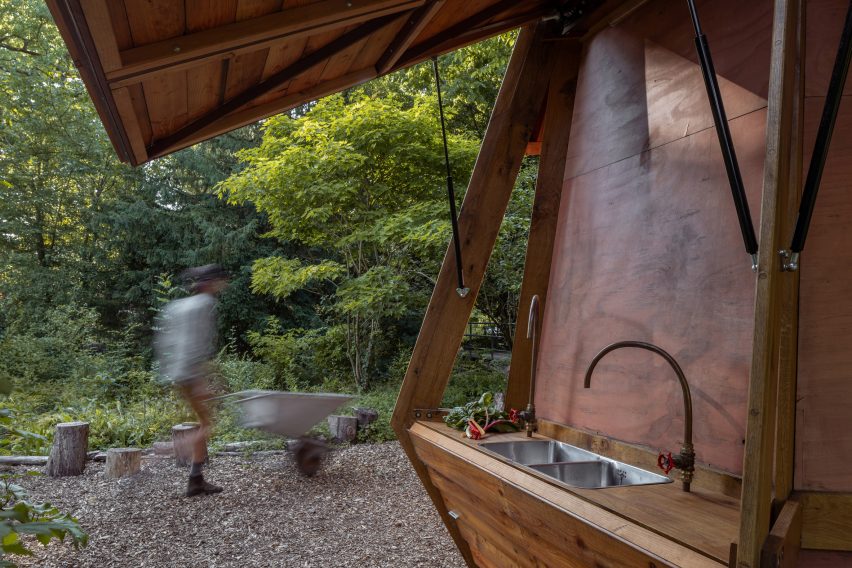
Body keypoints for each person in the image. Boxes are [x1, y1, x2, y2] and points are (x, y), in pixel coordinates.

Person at [156, 264, 228, 497]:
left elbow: (165, 341)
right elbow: (196, 344)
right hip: (190, 370)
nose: (221, 285)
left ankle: (196, 480)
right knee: (207, 424)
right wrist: (200, 379)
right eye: (219, 281)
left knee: (202, 421)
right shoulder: (205, 304)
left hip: (178, 370)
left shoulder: (178, 305)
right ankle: (175, 448)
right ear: (210, 283)